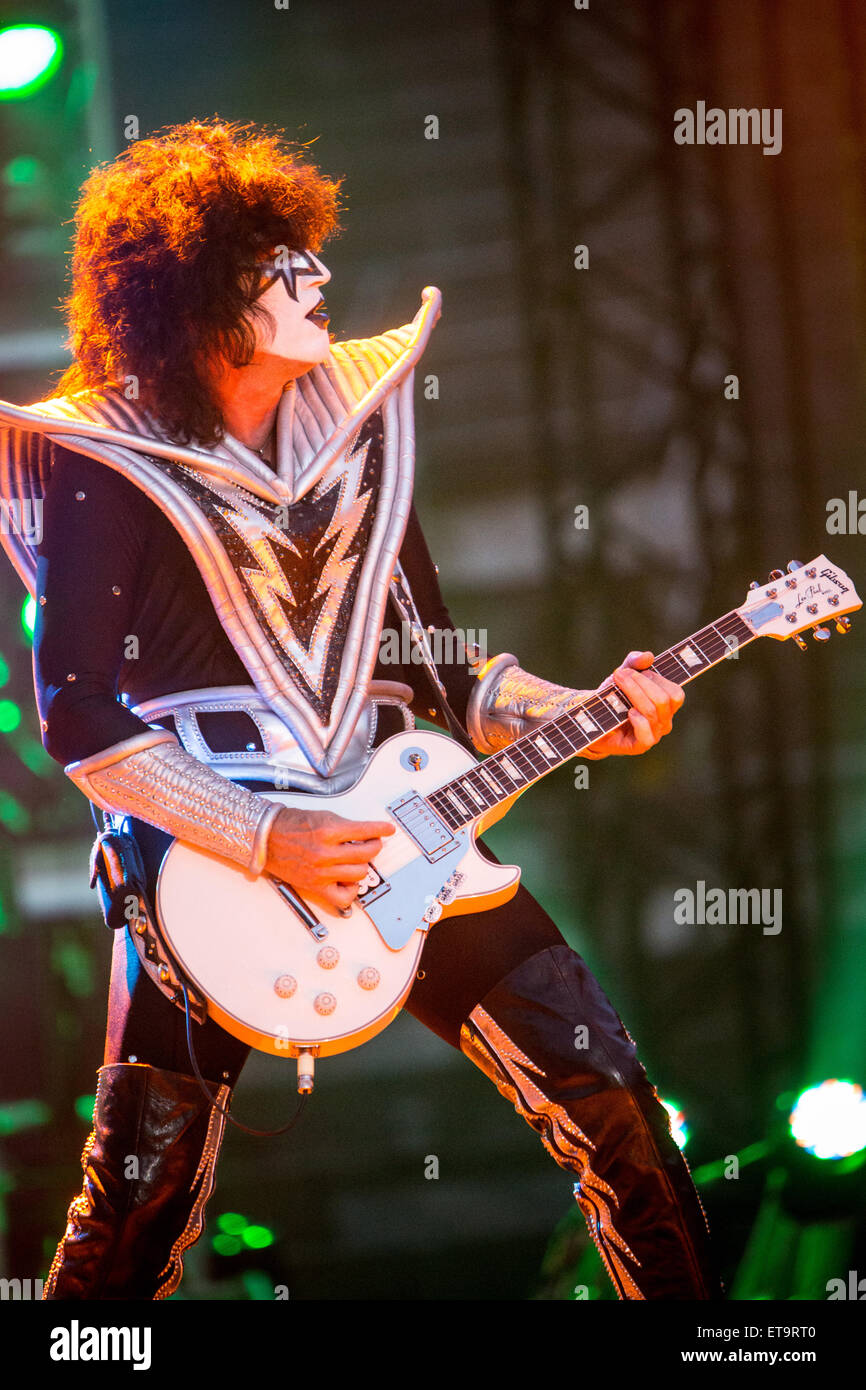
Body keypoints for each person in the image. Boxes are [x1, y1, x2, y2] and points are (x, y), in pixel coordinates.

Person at [0, 119, 722, 1301]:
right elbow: (76, 715)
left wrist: (582, 705)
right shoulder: (105, 458)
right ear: (200, 295)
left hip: (412, 839)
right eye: (284, 263)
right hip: (213, 871)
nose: (319, 277)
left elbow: (443, 676)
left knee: (620, 1115)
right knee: (139, 1207)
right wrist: (265, 835)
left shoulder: (361, 432)